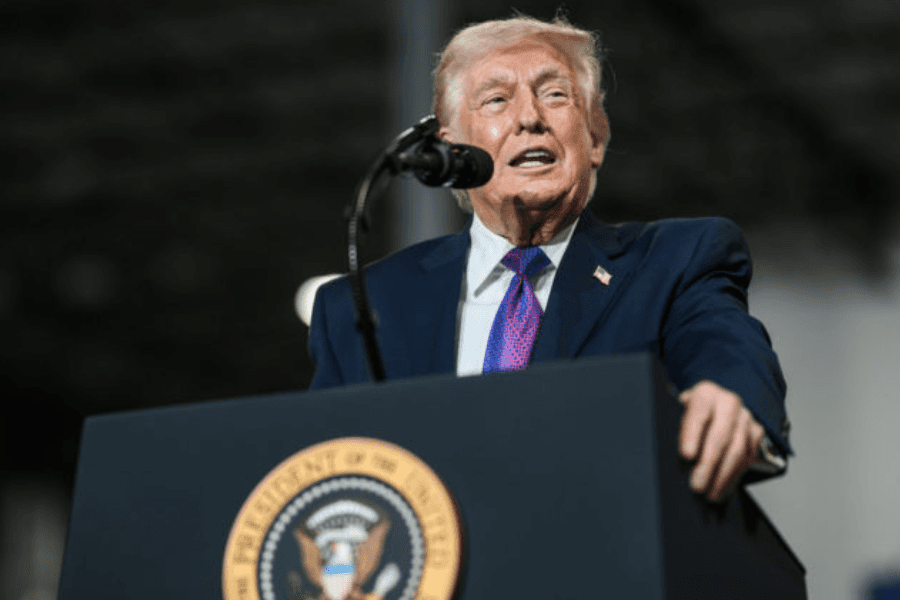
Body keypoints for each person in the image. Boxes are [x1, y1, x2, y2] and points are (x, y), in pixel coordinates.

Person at [308, 15, 790, 501]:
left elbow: (724, 346)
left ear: (595, 140)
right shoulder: (364, 305)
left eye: (554, 94)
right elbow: (318, 471)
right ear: (453, 152)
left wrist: (731, 396)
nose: (529, 117)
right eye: (496, 99)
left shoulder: (676, 260)